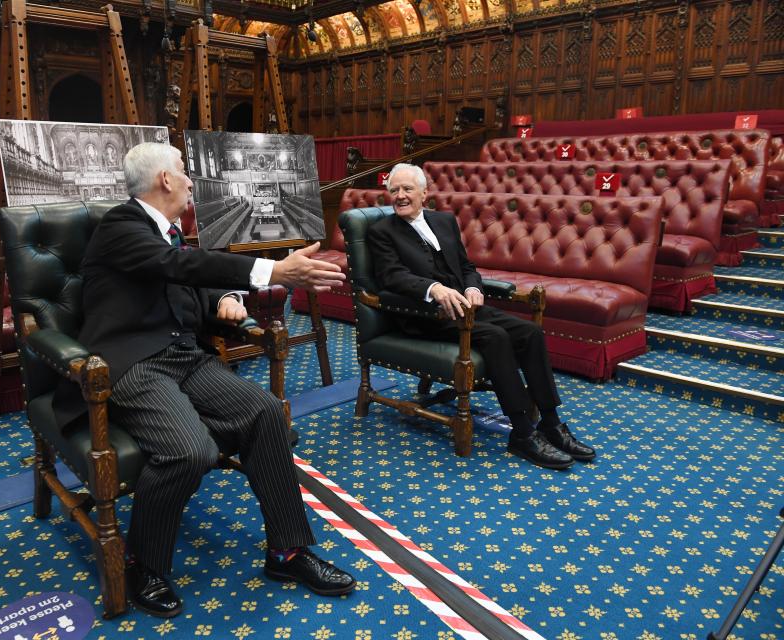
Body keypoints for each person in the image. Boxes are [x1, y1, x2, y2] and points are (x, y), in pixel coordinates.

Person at [54, 142, 354, 618]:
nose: (192, 180)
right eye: (183, 172)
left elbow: (191, 276)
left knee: (265, 413)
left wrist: (226, 298)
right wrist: (274, 269)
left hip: (184, 357)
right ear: (165, 181)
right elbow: (176, 266)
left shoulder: (167, 234)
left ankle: (288, 552)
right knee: (191, 450)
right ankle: (144, 564)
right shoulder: (121, 225)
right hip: (134, 364)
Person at [366, 163, 596, 470]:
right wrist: (433, 289)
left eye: (408, 189)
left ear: (424, 193)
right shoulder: (381, 231)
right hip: (425, 315)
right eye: (394, 190)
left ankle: (551, 423)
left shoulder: (444, 221)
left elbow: (466, 267)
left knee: (531, 333)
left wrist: (473, 287)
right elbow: (392, 276)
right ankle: (523, 432)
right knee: (496, 337)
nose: (400, 196)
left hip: (467, 307)